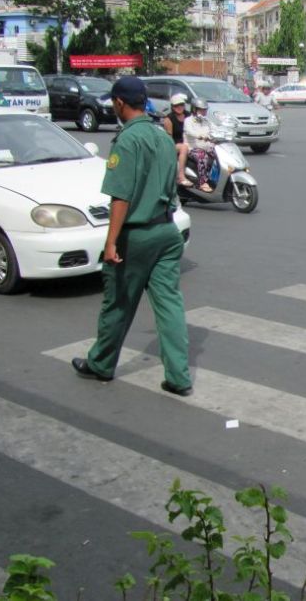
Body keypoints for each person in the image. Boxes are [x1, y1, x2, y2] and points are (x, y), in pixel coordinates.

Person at [70, 76, 193, 397]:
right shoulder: (162, 136)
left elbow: (121, 197)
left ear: (120, 103)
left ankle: (101, 363)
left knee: (118, 303)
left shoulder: (127, 140)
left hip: (136, 235)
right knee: (169, 305)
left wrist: (111, 242)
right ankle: (179, 377)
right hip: (166, 231)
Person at [183, 98, 216, 192]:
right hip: (192, 147)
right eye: (201, 110)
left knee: (219, 155)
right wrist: (200, 135)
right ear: (194, 109)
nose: (204, 112)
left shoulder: (206, 121)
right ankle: (202, 182)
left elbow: (215, 128)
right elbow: (189, 131)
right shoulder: (188, 120)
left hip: (207, 146)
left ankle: (214, 178)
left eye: (205, 110)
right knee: (202, 155)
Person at [163, 93, 192, 187]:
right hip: (175, 144)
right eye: (176, 105)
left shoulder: (189, 115)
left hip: (188, 142)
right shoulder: (169, 119)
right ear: (172, 107)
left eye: (181, 105)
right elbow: (169, 139)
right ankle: (181, 176)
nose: (179, 107)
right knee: (184, 147)